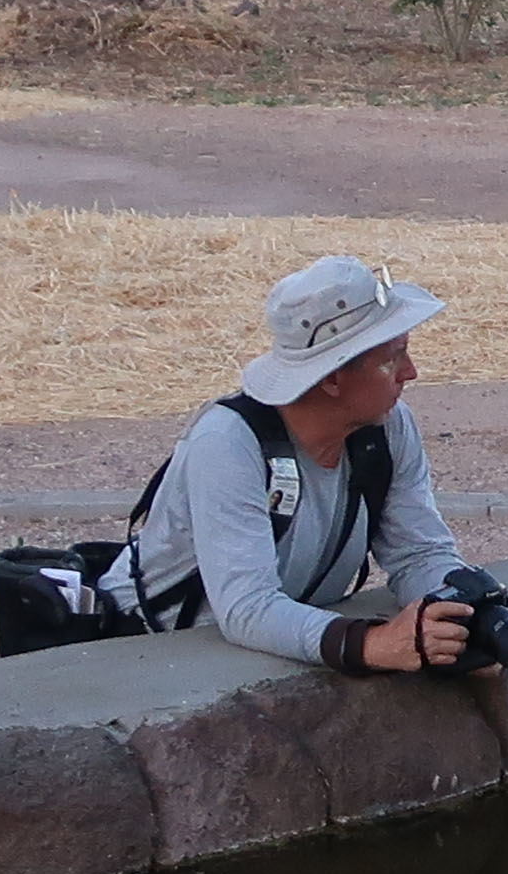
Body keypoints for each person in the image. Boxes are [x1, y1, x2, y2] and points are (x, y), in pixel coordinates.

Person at [129, 252, 487, 674]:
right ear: (331, 378)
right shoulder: (227, 444)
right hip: (152, 650)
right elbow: (247, 608)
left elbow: (418, 553)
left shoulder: (387, 427)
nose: (410, 372)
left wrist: (466, 614)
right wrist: (372, 644)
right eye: (392, 358)